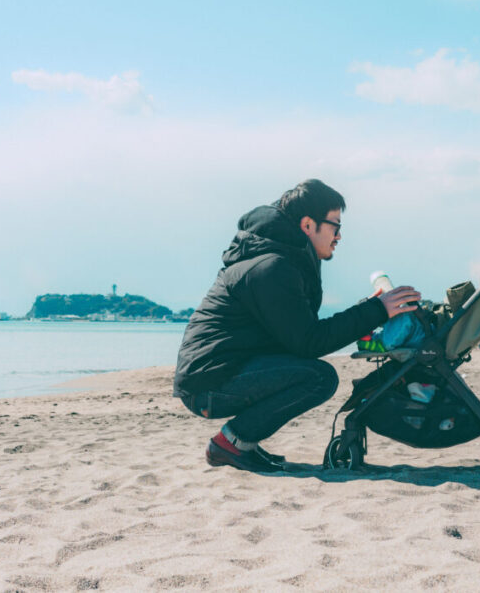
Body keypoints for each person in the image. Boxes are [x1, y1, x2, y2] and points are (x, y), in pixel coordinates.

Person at [174, 179, 421, 473]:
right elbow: (309, 342)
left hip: (221, 371)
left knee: (312, 372)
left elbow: (300, 333)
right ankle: (230, 444)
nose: (339, 236)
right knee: (319, 378)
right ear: (307, 225)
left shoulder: (285, 258)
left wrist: (371, 309)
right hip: (209, 384)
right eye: (335, 226)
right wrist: (375, 310)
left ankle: (242, 443)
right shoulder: (273, 267)